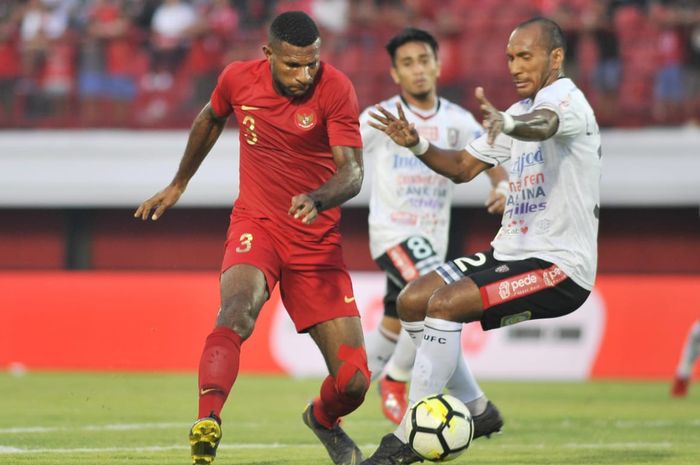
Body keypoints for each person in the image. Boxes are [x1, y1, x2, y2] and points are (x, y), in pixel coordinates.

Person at [363, 16, 601, 464]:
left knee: (446, 306)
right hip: (510, 254)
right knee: (415, 299)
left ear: (556, 57)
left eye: (525, 55)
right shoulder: (513, 114)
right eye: (510, 56)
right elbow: (460, 169)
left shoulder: (567, 104)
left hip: (559, 267)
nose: (514, 65)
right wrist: (416, 144)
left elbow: (544, 125)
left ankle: (409, 435)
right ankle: (477, 409)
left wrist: (510, 127)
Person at [135, 11, 369, 465]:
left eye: (311, 64)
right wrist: (179, 183)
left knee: (353, 384)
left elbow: (353, 173)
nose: (304, 75)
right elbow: (208, 118)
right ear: (268, 55)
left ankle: (322, 419)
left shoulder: (336, 87)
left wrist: (318, 198)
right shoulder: (238, 79)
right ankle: (208, 421)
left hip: (315, 244)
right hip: (256, 225)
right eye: (293, 65)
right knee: (237, 311)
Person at [359, 27, 508, 425]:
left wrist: (503, 186)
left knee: (397, 317)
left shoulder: (459, 121)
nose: (418, 69)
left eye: (424, 60)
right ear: (394, 73)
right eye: (407, 63)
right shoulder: (378, 118)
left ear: (438, 65)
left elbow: (490, 158)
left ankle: (335, 400)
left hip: (433, 237)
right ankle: (417, 384)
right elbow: (341, 156)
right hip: (394, 233)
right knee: (436, 298)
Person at [671, 318, 700, 397]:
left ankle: (679, 390)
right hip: (697, 331)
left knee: (687, 361)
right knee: (687, 361)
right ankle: (679, 390)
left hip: (696, 329)